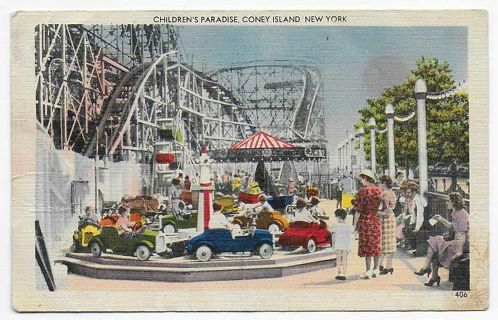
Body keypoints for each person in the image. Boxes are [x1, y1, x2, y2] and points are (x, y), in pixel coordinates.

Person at [415, 192, 469, 287]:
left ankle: (428, 270)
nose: (446, 202)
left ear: (454, 202)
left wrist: (459, 251)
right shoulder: (455, 211)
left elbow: (461, 234)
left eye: (448, 201)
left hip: (460, 243)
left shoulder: (463, 214)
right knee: (434, 243)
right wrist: (441, 219)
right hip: (454, 239)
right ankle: (430, 272)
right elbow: (453, 227)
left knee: (435, 242)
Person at [353, 169, 382, 279]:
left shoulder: (363, 192)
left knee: (367, 245)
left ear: (366, 178)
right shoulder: (378, 191)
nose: (361, 181)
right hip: (375, 219)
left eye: (362, 179)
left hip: (365, 220)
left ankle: (368, 270)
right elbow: (382, 206)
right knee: (376, 243)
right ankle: (376, 268)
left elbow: (358, 210)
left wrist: (354, 225)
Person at [378, 175, 397, 275]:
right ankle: (388, 266)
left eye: (380, 183)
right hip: (391, 218)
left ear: (384, 184)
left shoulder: (384, 194)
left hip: (385, 219)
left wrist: (374, 212)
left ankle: (381, 265)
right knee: (389, 244)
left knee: (383, 243)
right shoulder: (392, 193)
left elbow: (384, 210)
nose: (379, 185)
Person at [402, 181, 427, 251]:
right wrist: (411, 223)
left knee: (410, 231)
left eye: (409, 193)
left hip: (424, 221)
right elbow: (413, 214)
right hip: (419, 220)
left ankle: (415, 247)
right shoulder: (415, 199)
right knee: (405, 229)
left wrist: (417, 227)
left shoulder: (419, 200)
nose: (407, 194)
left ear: (414, 192)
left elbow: (420, 215)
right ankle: (414, 247)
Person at [331, 208, 354, 280]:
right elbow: (351, 236)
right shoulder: (349, 226)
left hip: (338, 243)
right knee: (344, 259)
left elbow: (333, 236)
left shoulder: (335, 225)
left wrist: (333, 245)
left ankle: (338, 273)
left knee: (338, 259)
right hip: (346, 244)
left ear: (338, 217)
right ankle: (344, 273)